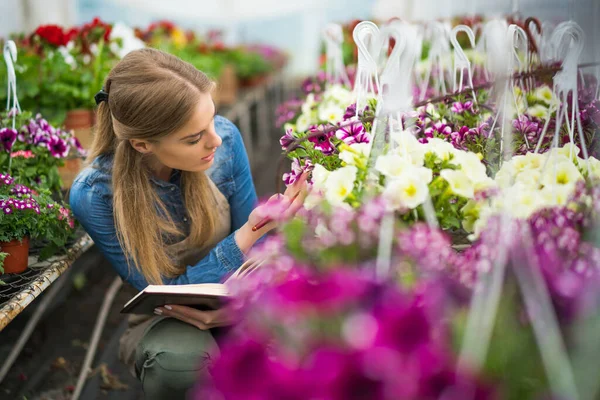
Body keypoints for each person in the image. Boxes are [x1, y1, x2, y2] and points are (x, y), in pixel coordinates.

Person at [69, 48, 306, 399]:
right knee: (178, 364)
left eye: (211, 119)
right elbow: (162, 291)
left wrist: (239, 306)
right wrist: (248, 232)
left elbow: (259, 254)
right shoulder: (96, 194)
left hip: (240, 292)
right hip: (166, 315)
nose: (215, 139)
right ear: (142, 144)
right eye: (194, 138)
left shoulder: (223, 144)